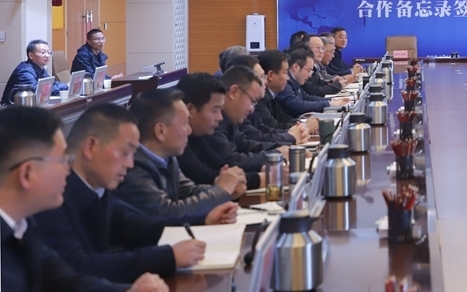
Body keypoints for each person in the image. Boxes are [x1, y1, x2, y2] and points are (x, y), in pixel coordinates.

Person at [34, 104, 238, 284]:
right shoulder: (51, 200)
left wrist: (203, 219)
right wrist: (168, 256)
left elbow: (136, 226)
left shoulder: (98, 190)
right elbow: (78, 267)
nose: (130, 164)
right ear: (90, 147)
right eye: (125, 153)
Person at [0, 107, 166, 292]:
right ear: (27, 174)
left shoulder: (23, 226)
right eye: (61, 160)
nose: (67, 168)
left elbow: (64, 281)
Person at [114, 89, 244, 217]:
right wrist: (222, 191)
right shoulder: (132, 167)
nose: (189, 130)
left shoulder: (168, 158)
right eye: (185, 124)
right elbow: (168, 212)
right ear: (161, 131)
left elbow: (188, 191)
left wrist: (226, 189)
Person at [180, 68, 288, 190]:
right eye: (215, 110)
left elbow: (223, 167)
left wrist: (262, 168)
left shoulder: (197, 136)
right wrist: (268, 177)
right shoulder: (180, 142)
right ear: (190, 110)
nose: (220, 117)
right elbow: (208, 177)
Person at [226, 55, 307, 146]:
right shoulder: (226, 116)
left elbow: (263, 130)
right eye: (262, 77)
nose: (266, 81)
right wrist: (291, 136)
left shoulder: (255, 101)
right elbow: (255, 138)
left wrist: (295, 132)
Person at [276, 50, 348, 117]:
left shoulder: (295, 82)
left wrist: (332, 101)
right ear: (296, 67)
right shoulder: (284, 83)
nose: (310, 75)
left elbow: (307, 97)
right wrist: (328, 104)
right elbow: (298, 105)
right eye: (308, 71)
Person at [2, 39, 68, 105]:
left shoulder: (41, 69)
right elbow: (40, 92)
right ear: (31, 55)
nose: (47, 55)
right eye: (42, 52)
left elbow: (52, 84)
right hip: (12, 108)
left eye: (49, 52)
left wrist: (67, 85)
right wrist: (66, 87)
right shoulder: (24, 71)